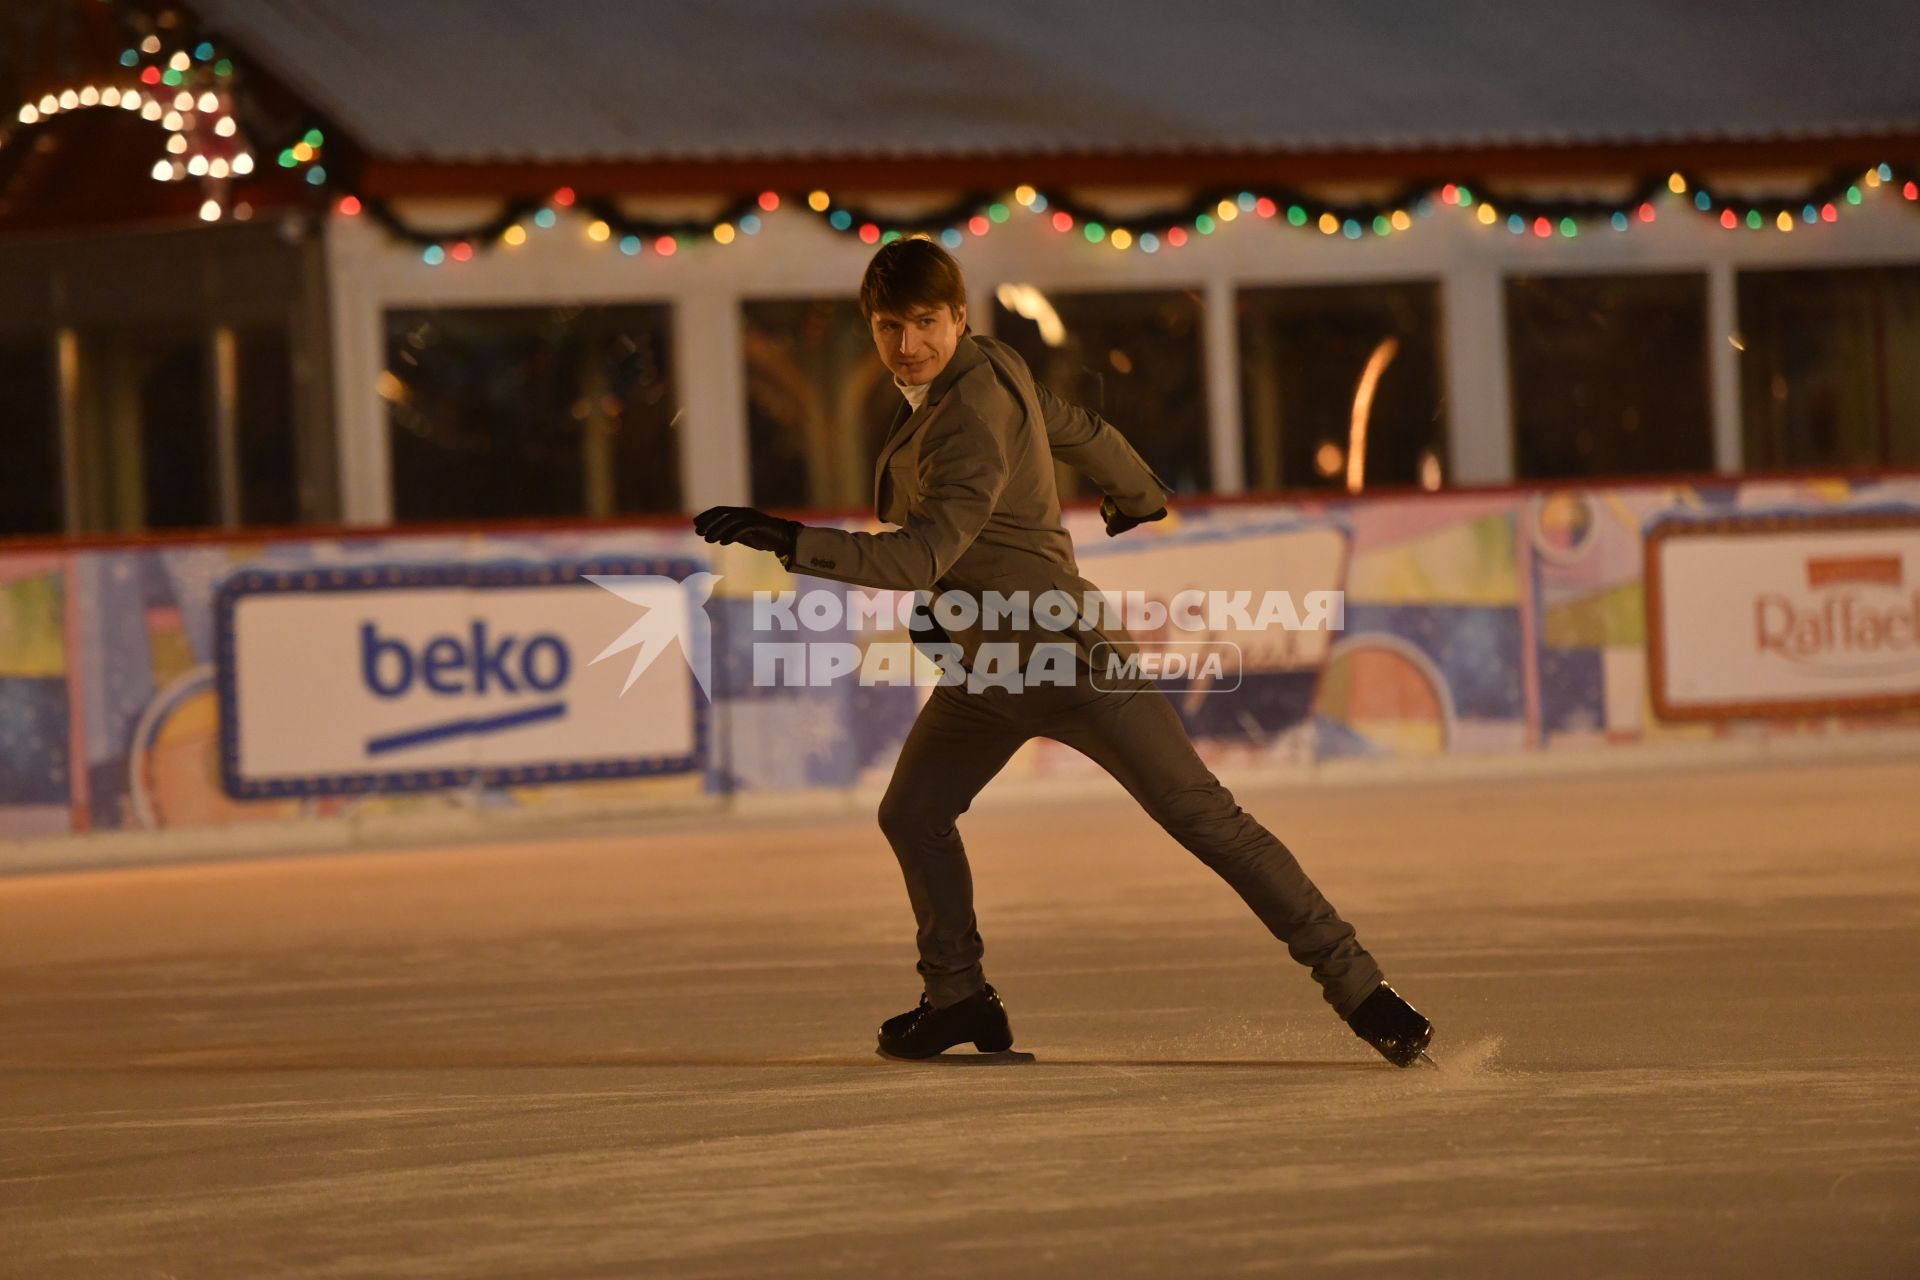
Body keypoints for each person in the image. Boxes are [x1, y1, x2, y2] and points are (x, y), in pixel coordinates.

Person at [693, 240, 1431, 1067]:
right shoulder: (985, 367)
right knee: (913, 811)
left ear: (960, 317)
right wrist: (1138, 491)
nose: (909, 345)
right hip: (992, 672)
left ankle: (1363, 990)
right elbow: (1075, 424)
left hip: (1071, 663)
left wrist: (794, 543)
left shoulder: (967, 416)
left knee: (1204, 819)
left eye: (927, 323)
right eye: (890, 326)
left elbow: (917, 557)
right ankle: (959, 996)